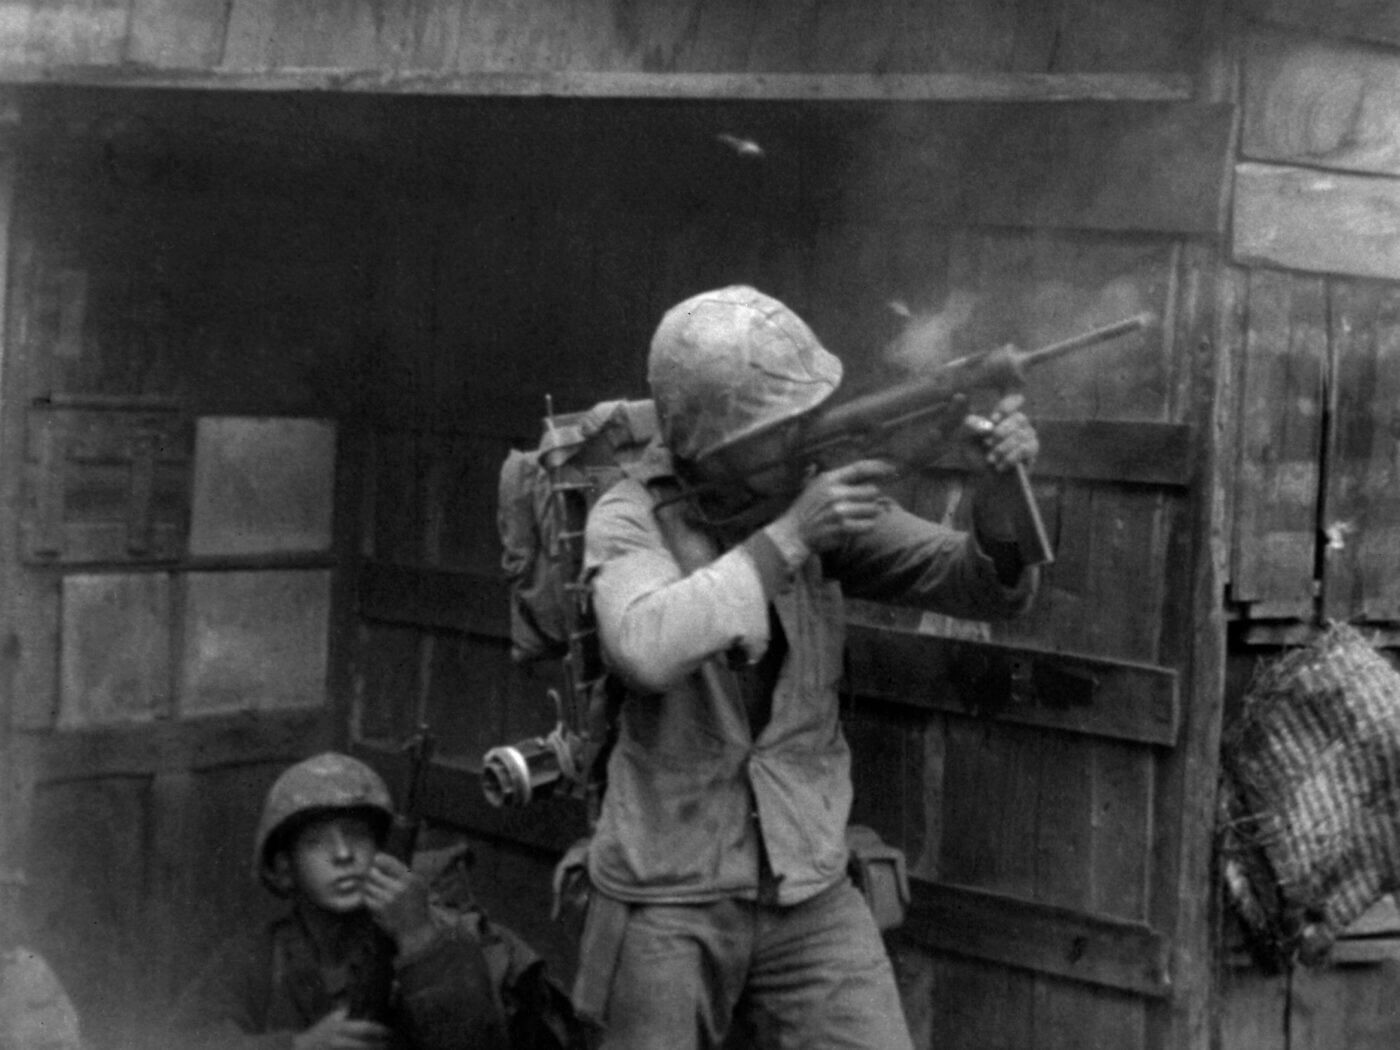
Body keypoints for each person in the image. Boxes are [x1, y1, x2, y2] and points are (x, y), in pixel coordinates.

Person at [573, 286, 1040, 1050]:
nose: (801, 435)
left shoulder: (802, 499)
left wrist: (996, 496)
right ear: (712, 441)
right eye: (774, 426)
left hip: (809, 882)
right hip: (668, 892)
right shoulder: (630, 515)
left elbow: (977, 582)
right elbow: (644, 647)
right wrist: (789, 538)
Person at [169, 752, 507, 1050]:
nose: (344, 854)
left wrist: (418, 937)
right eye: (316, 842)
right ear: (284, 868)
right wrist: (296, 1047)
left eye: (357, 835)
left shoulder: (440, 942)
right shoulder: (254, 958)